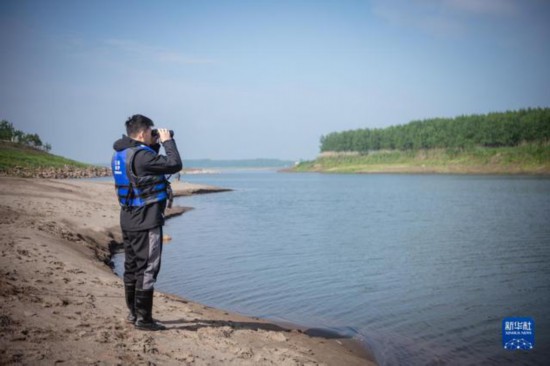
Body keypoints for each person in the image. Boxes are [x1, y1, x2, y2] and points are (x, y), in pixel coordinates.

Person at [111, 114, 182, 331]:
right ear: (142, 133)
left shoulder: (121, 154)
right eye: (151, 132)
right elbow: (174, 164)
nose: (154, 135)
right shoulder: (142, 156)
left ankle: (133, 315)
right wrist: (168, 141)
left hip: (128, 219)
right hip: (146, 221)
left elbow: (149, 169)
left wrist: (156, 144)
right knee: (148, 268)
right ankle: (144, 319)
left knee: (131, 267)